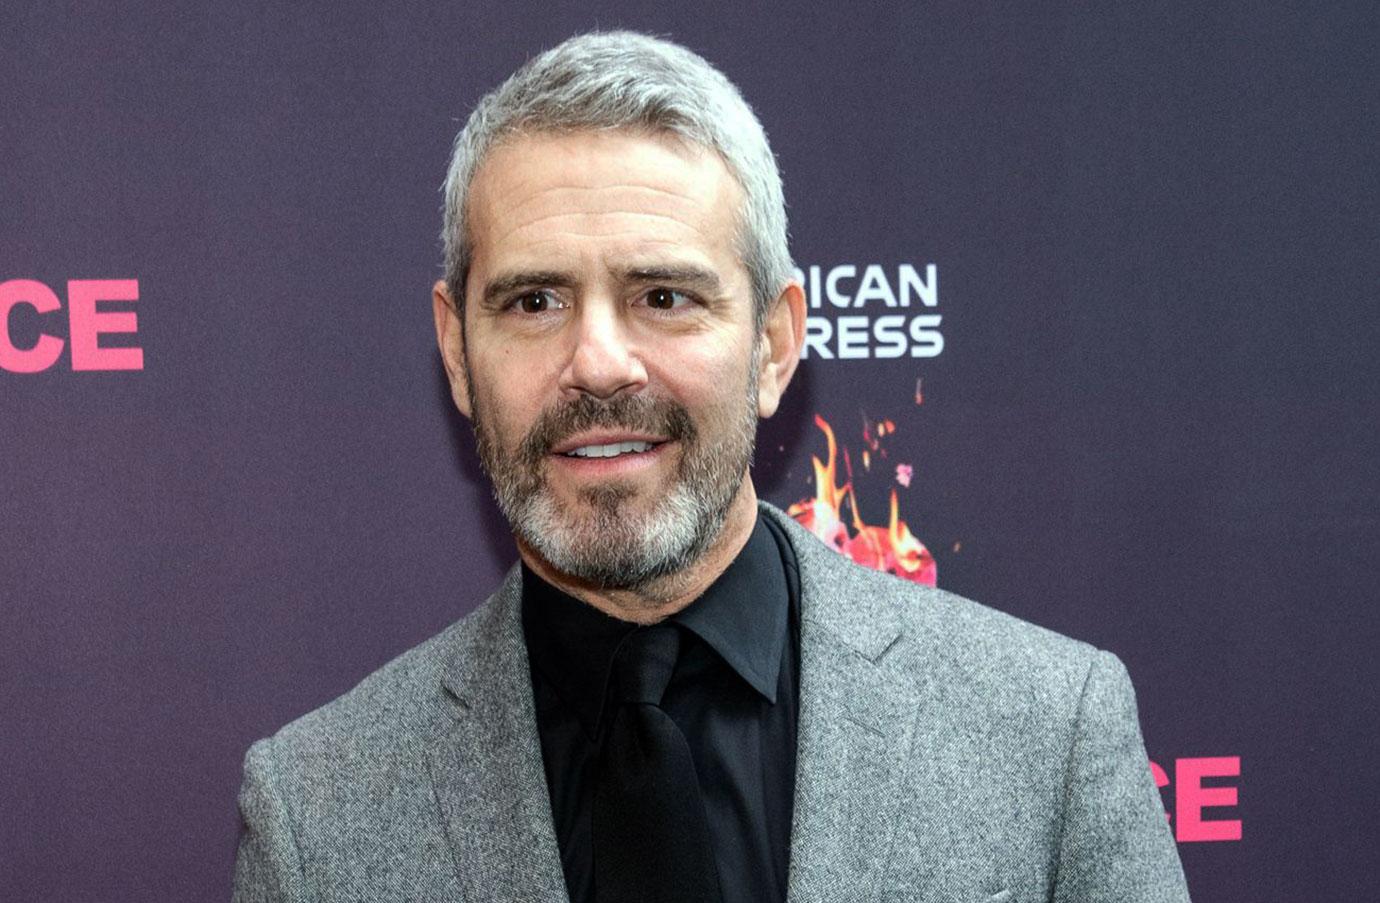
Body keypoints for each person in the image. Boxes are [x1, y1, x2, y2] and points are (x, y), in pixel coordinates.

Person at [232, 31, 1191, 903]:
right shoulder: (318, 810)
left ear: (775, 345)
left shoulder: (1048, 730)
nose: (599, 362)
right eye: (533, 302)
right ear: (455, 350)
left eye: (662, 295)